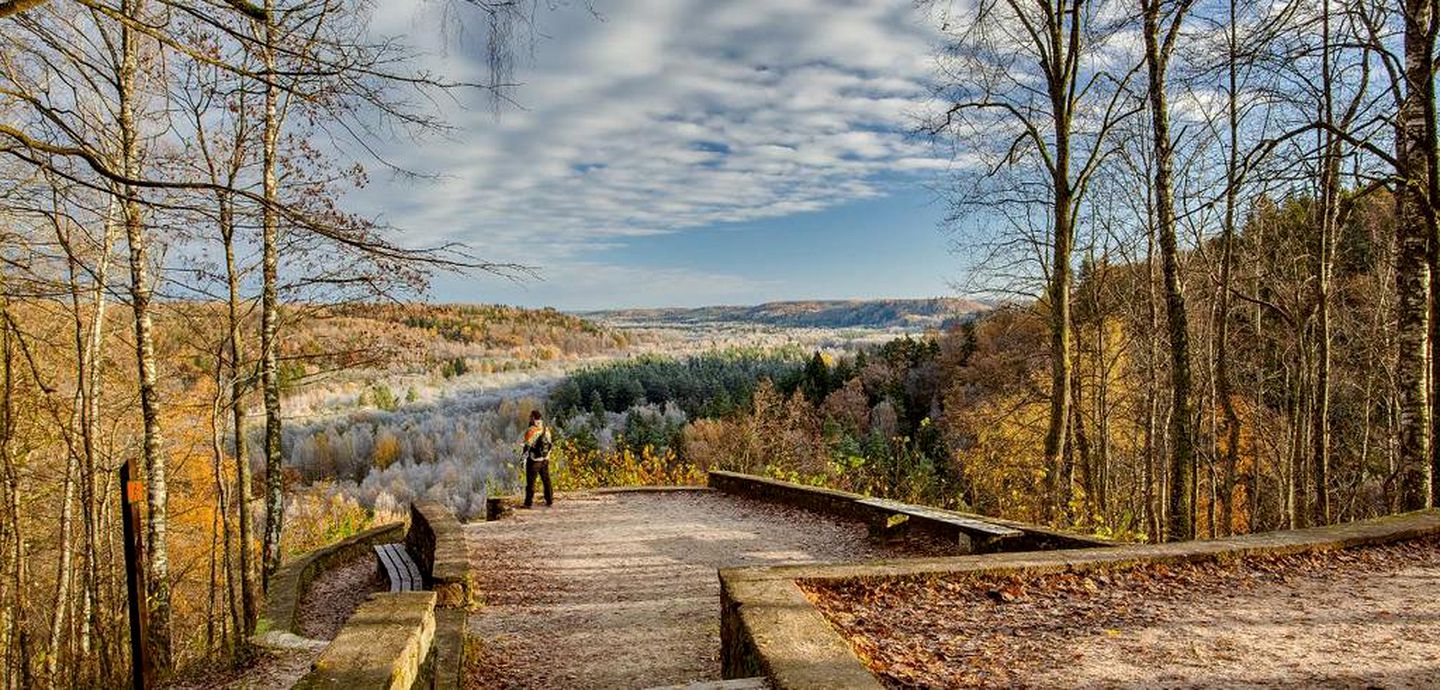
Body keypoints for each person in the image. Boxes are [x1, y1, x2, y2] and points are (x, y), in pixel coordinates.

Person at [520, 409, 553, 508]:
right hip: (545, 459)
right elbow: (550, 444)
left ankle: (528, 503)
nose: (529, 418)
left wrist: (522, 460)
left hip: (534, 460)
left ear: (533, 418)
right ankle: (549, 500)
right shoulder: (545, 429)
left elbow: (527, 446)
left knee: (531, 482)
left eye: (530, 417)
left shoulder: (531, 430)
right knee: (546, 480)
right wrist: (547, 456)